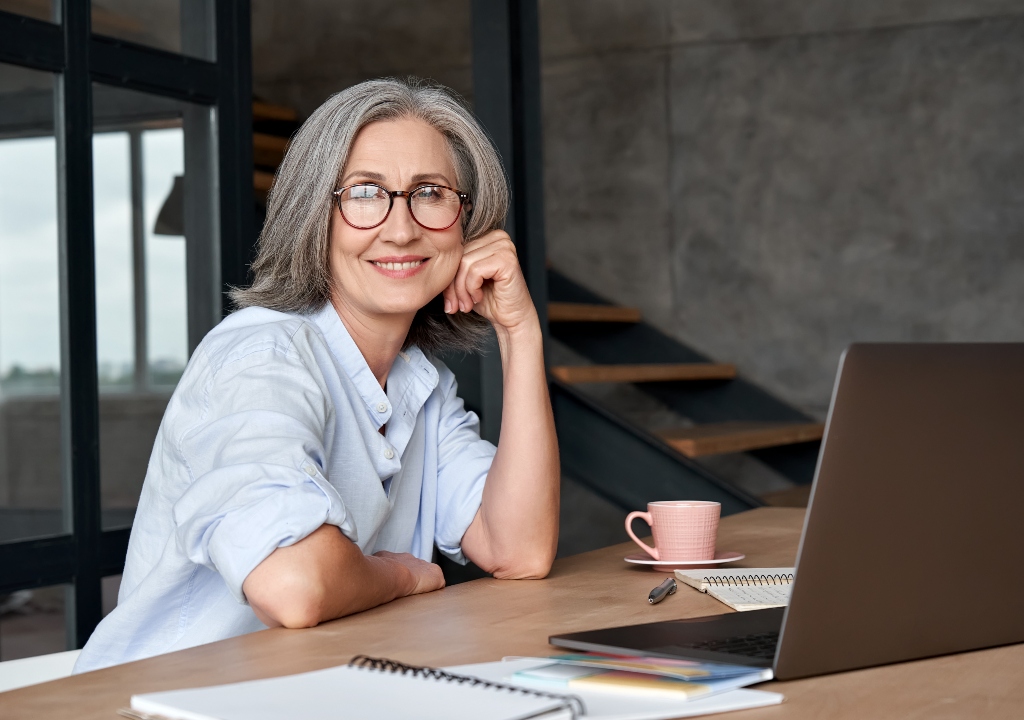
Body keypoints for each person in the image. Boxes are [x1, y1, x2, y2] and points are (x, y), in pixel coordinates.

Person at [74, 78, 559, 672]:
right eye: (364, 193)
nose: (401, 228)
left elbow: (519, 549)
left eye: (429, 193)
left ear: (465, 221)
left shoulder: (419, 383)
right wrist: (398, 577)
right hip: (166, 706)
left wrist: (520, 334)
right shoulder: (262, 357)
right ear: (314, 216)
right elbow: (294, 584)